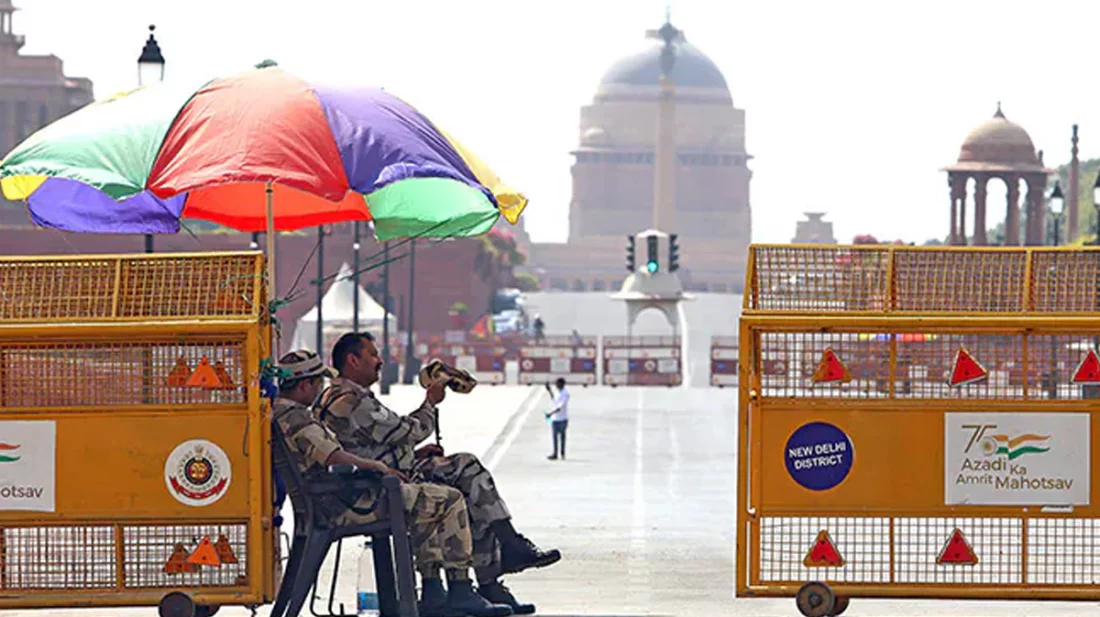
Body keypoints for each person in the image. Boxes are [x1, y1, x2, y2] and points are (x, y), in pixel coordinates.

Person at [317, 332, 561, 615]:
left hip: (388, 475)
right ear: (353, 360)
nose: (380, 360)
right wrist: (431, 402)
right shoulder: (350, 401)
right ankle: (481, 577)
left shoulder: (341, 396)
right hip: (379, 487)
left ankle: (500, 561)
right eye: (373, 354)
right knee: (460, 495)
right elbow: (408, 431)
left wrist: (415, 454)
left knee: (467, 469)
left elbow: (374, 444)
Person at [272, 350, 512, 617]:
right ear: (305, 384)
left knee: (426, 493)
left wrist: (405, 458)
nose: (320, 388)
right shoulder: (297, 417)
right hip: (348, 504)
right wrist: (378, 467)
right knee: (448, 499)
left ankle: (434, 592)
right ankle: (460, 589)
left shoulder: (286, 413)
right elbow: (333, 455)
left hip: (338, 497)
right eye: (318, 383)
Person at [544, 378, 570, 460]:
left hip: (562, 418)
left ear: (562, 384)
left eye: (558, 384)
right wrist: (549, 390)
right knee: (554, 437)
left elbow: (560, 407)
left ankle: (562, 453)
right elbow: (554, 400)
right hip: (555, 419)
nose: (556, 385)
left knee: (562, 436)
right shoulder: (558, 392)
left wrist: (550, 414)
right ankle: (555, 453)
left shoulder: (565, 394)